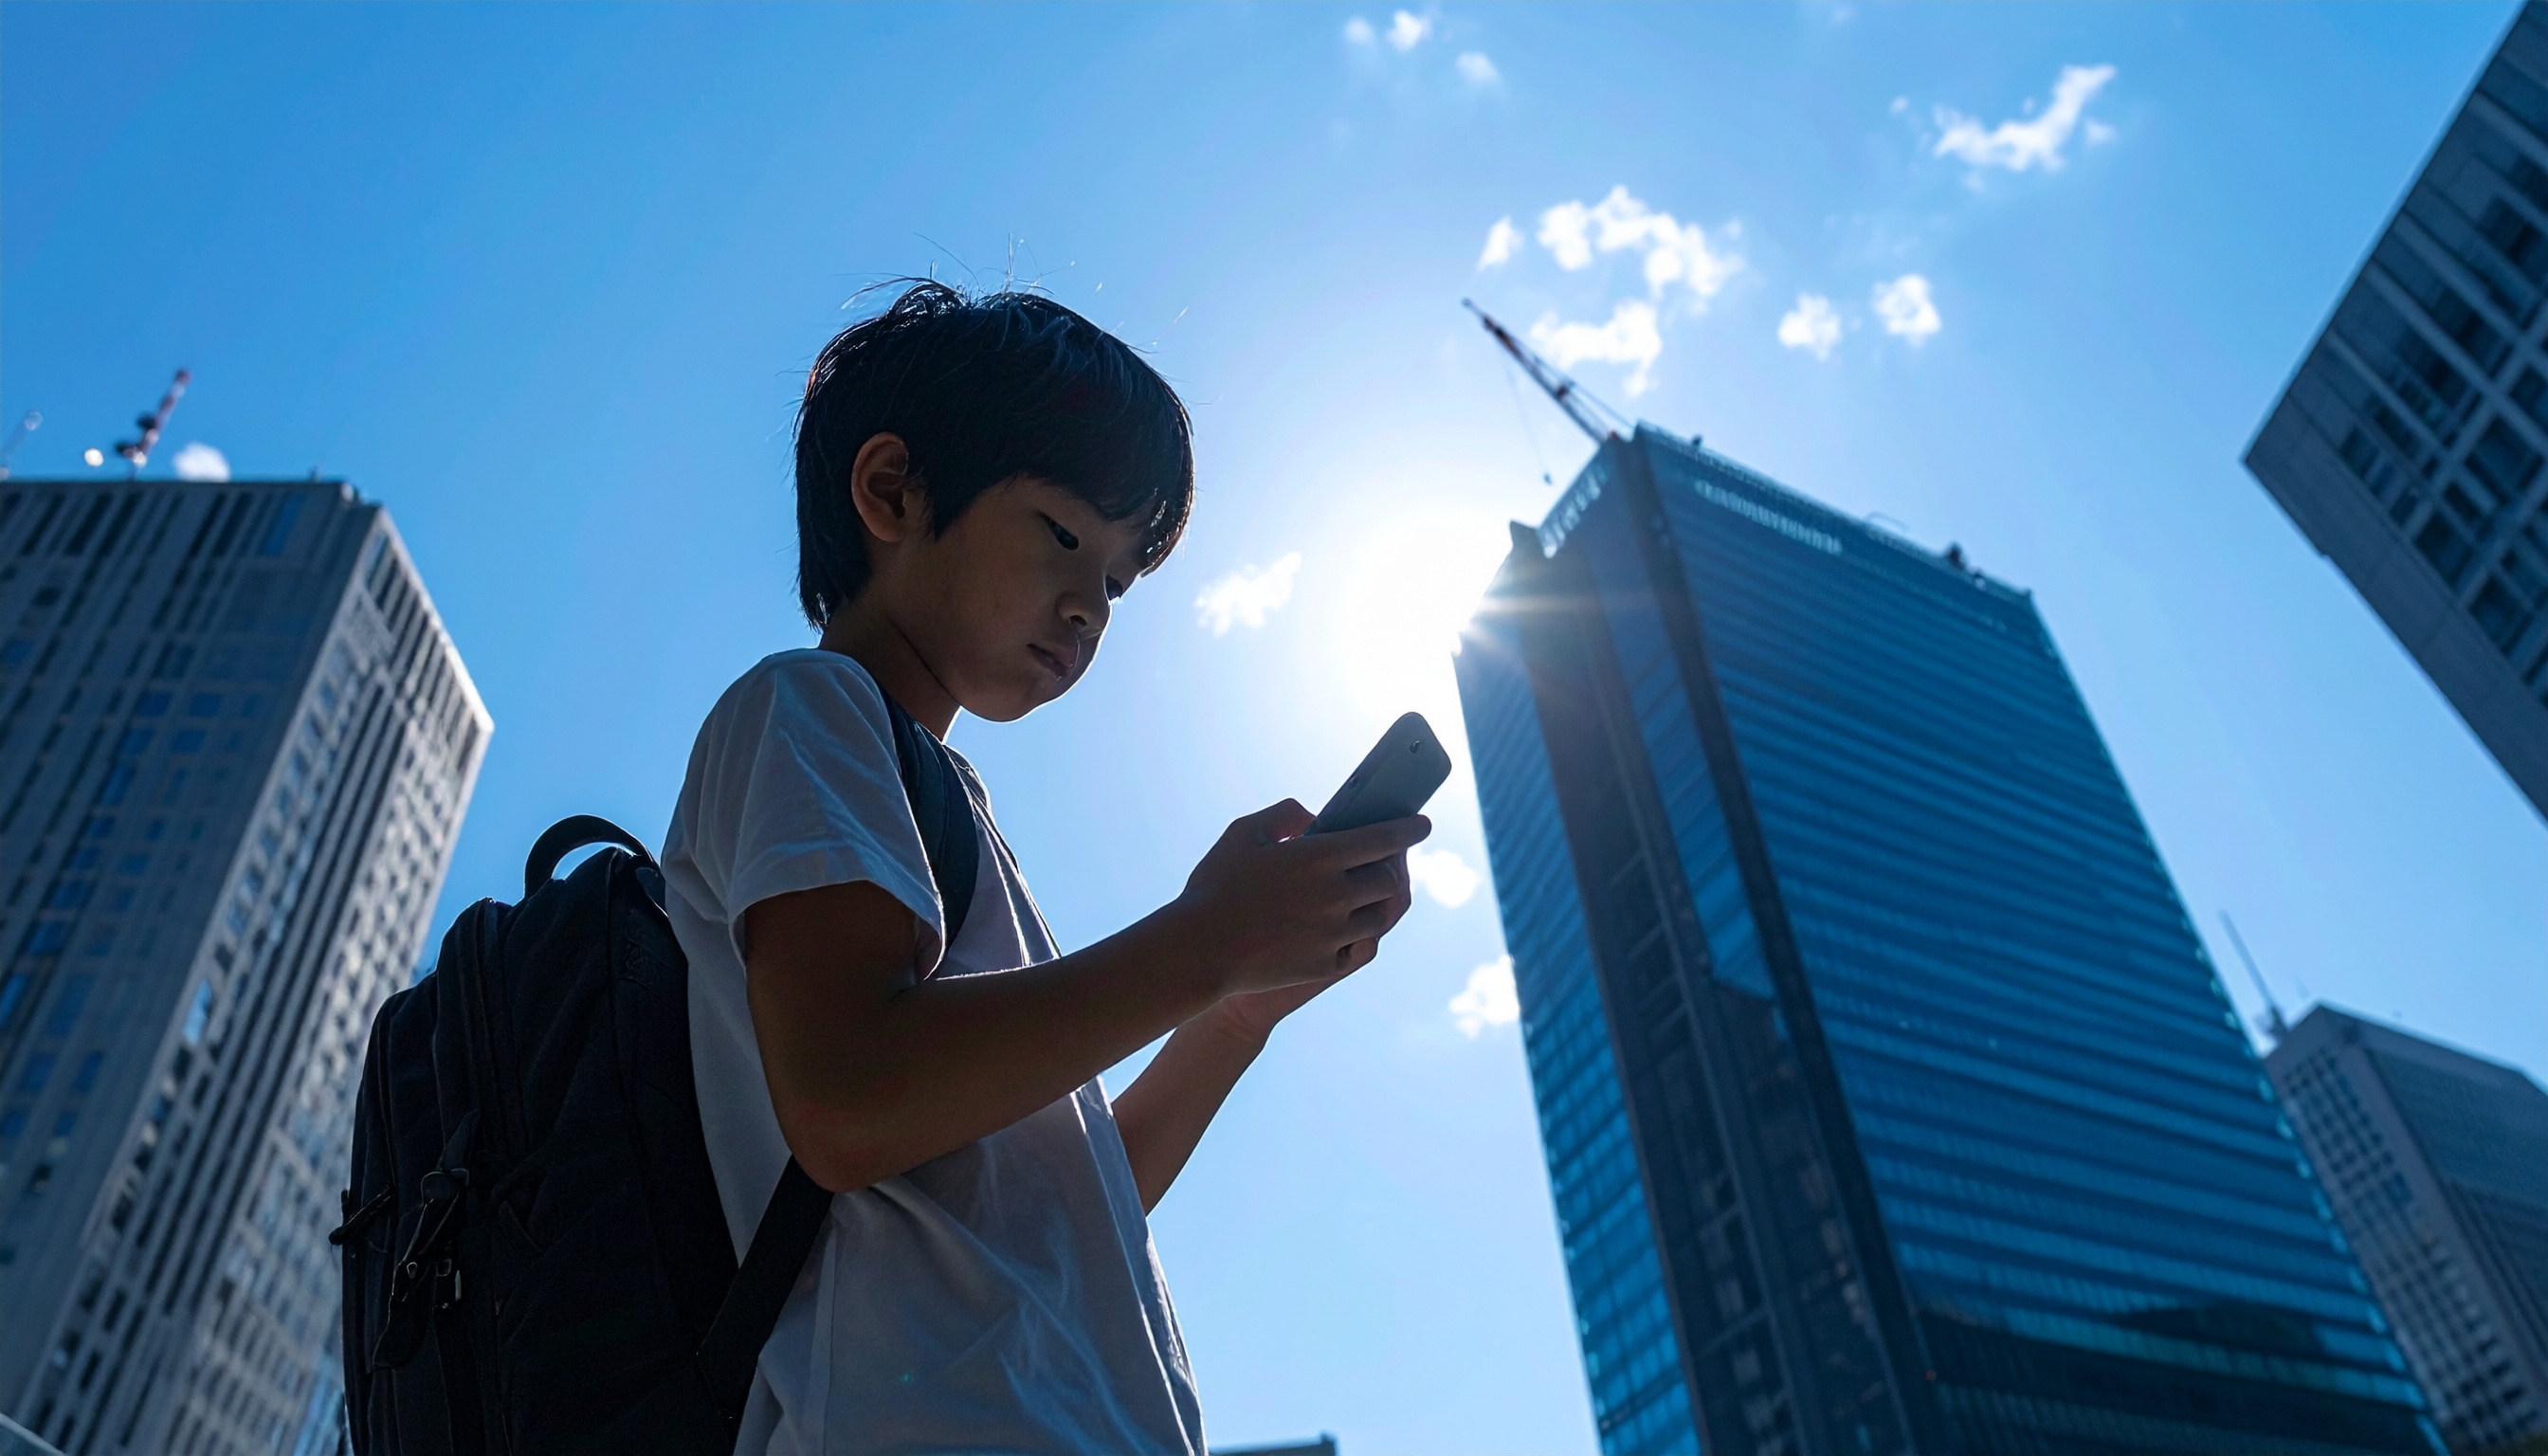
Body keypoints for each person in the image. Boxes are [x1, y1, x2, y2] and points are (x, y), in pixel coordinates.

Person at [658, 281, 1430, 1455]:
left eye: (1119, 581)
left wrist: (1234, 1012)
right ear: (892, 491)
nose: (1089, 609)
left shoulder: (942, 804)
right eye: (1066, 537)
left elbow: (1064, 1200)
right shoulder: (806, 709)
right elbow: (850, 1101)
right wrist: (1206, 942)